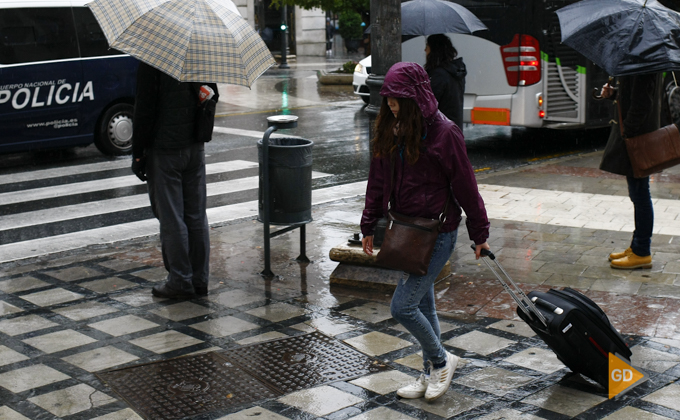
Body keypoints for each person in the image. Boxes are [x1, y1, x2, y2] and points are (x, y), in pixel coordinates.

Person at [361, 62, 490, 401]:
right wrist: (368, 223)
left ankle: (441, 361)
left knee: (402, 307)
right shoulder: (393, 129)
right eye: (388, 99)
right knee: (425, 306)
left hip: (437, 233)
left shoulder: (445, 133)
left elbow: (466, 186)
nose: (390, 106)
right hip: (405, 231)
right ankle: (429, 371)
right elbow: (377, 181)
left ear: (416, 98)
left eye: (397, 100)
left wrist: (480, 233)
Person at [131, 62, 218, 299]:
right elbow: (212, 95)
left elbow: (144, 108)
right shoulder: (198, 55)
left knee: (172, 217)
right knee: (196, 215)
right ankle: (200, 280)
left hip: (165, 149)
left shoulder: (152, 60)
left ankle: (180, 281)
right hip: (194, 146)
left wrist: (138, 152)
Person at [600, 73, 662, 269]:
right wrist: (614, 94)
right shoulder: (642, 58)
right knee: (638, 194)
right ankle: (637, 247)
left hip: (637, 138)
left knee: (640, 195)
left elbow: (642, 103)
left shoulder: (643, 61)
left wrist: (628, 132)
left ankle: (642, 251)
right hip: (637, 135)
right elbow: (634, 95)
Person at [424, 34, 467, 130]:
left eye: (427, 46)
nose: (425, 50)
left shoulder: (439, 74)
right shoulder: (456, 70)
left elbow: (429, 104)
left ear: (434, 50)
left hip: (441, 130)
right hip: (453, 127)